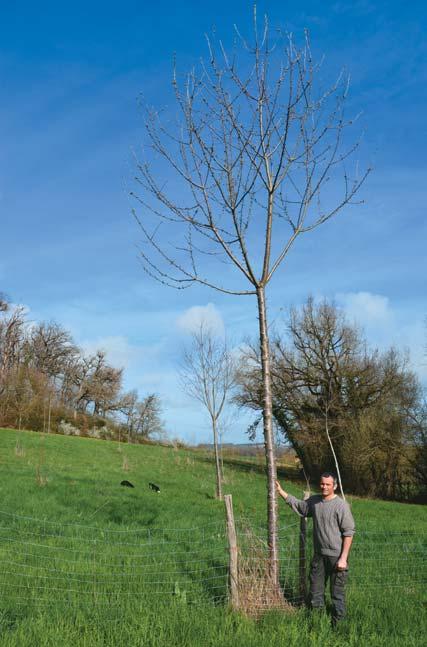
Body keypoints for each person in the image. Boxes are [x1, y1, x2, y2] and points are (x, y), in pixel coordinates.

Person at [276, 472, 355, 625]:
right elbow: (301, 507)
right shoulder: (315, 501)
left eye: (328, 484)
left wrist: (343, 558)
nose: (324, 487)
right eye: (322, 483)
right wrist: (281, 492)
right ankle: (317, 621)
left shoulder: (341, 506)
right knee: (315, 592)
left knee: (337, 593)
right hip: (319, 555)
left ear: (335, 486)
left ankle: (339, 624)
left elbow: (349, 533)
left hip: (336, 557)